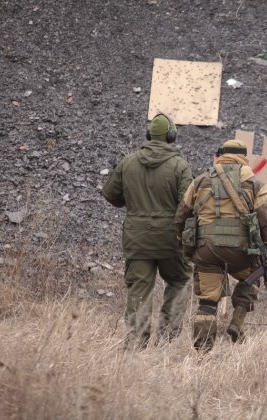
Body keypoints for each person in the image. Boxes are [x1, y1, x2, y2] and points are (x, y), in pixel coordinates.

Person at [175, 139, 267, 352]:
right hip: (240, 253)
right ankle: (236, 322)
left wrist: (186, 248)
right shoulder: (256, 184)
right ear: (244, 158)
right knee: (254, 277)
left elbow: (180, 217)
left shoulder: (200, 181)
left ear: (221, 155)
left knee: (207, 302)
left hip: (207, 251)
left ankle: (202, 352)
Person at [103, 113, 193, 351]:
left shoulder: (128, 162)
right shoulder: (180, 166)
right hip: (171, 240)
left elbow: (110, 194)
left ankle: (136, 342)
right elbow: (188, 203)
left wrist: (133, 204)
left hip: (137, 238)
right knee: (179, 280)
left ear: (149, 135)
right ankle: (167, 339)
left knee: (139, 289)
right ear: (171, 137)